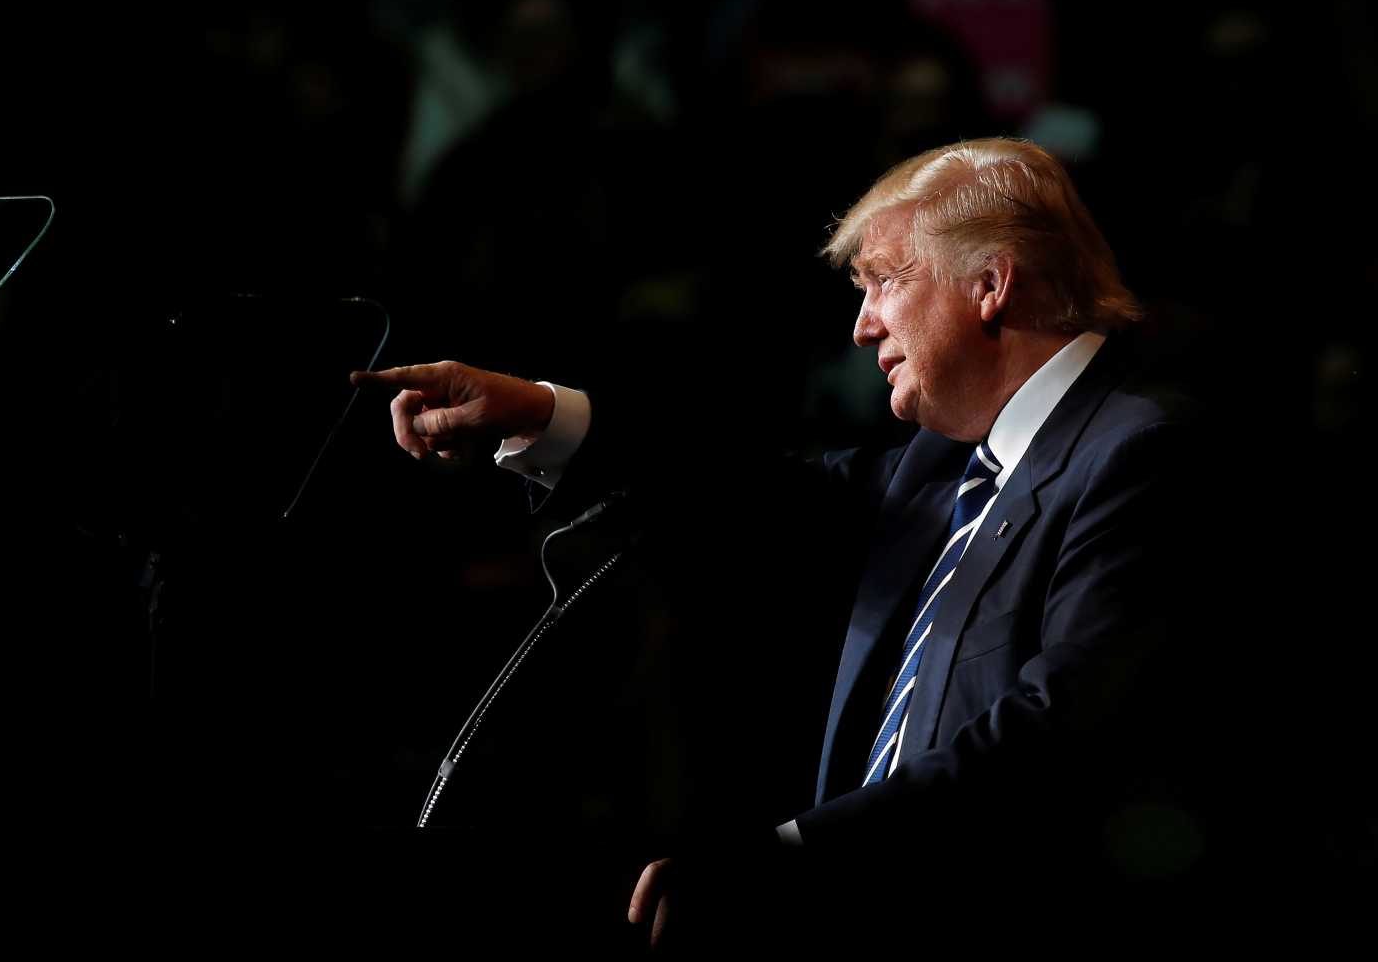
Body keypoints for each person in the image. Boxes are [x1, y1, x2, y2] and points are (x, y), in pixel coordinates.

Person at [353, 138, 1224, 950]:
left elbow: (1059, 728)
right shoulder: (939, 468)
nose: (864, 327)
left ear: (991, 283)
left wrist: (792, 854)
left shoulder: (1141, 452)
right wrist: (544, 416)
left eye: (883, 281)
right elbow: (754, 497)